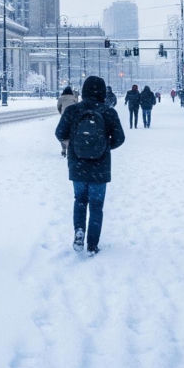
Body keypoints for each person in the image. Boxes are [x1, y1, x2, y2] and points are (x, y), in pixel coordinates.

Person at [56, 75, 125, 256]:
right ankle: (92, 245)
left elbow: (59, 133)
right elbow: (120, 138)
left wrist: (74, 145)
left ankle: (79, 231)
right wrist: (104, 146)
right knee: (96, 205)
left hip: (77, 164)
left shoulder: (73, 110)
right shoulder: (108, 112)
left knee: (80, 200)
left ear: (85, 90)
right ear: (102, 91)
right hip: (100, 167)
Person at [57, 86, 78, 157]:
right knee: (71, 133)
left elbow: (58, 107)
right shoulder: (73, 98)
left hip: (64, 117)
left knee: (62, 133)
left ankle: (63, 149)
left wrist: (62, 113)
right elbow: (77, 106)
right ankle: (71, 147)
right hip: (73, 117)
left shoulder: (61, 98)